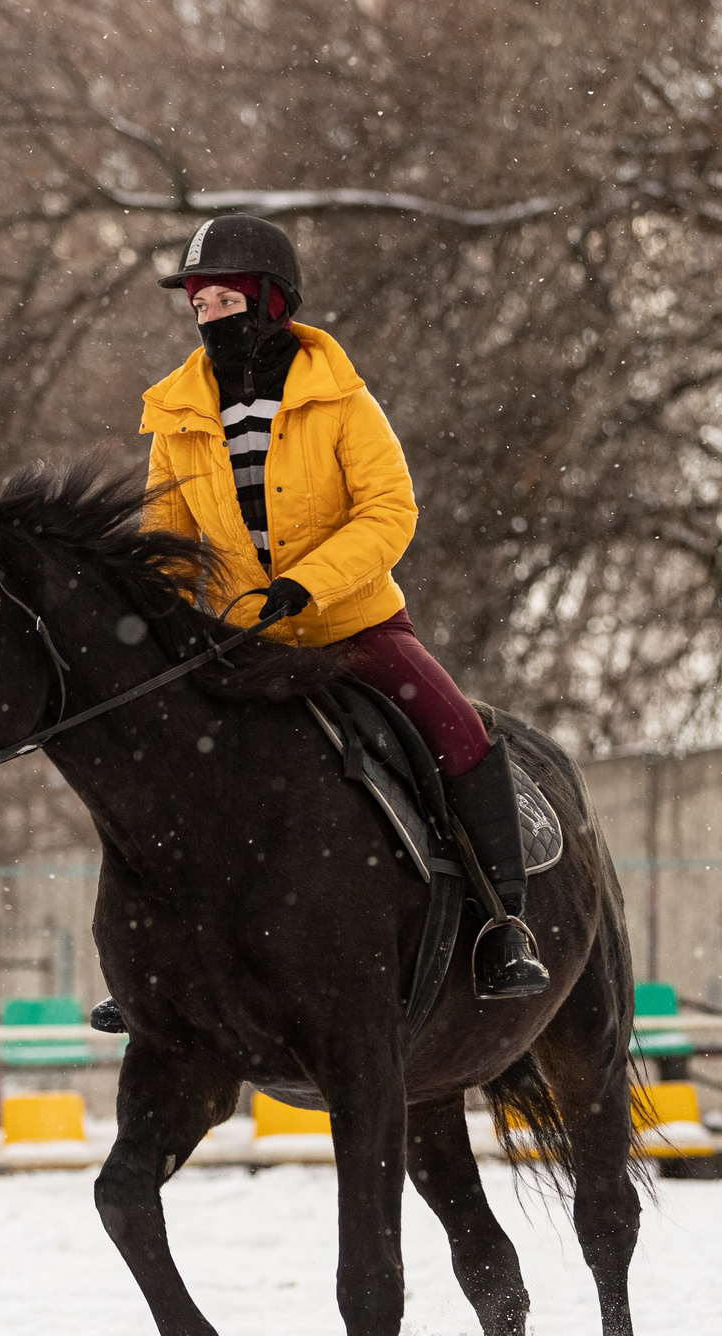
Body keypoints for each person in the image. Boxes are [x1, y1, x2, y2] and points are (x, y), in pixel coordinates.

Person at [101, 213, 550, 1024]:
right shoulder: (173, 417)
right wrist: (157, 617)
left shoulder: (342, 397)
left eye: (225, 300)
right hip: (245, 640)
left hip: (356, 628)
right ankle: (153, 954)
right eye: (198, 306)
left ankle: (503, 925)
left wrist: (308, 585)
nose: (210, 319)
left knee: (459, 731)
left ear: (274, 302)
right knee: (160, 750)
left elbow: (390, 511)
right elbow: (167, 539)